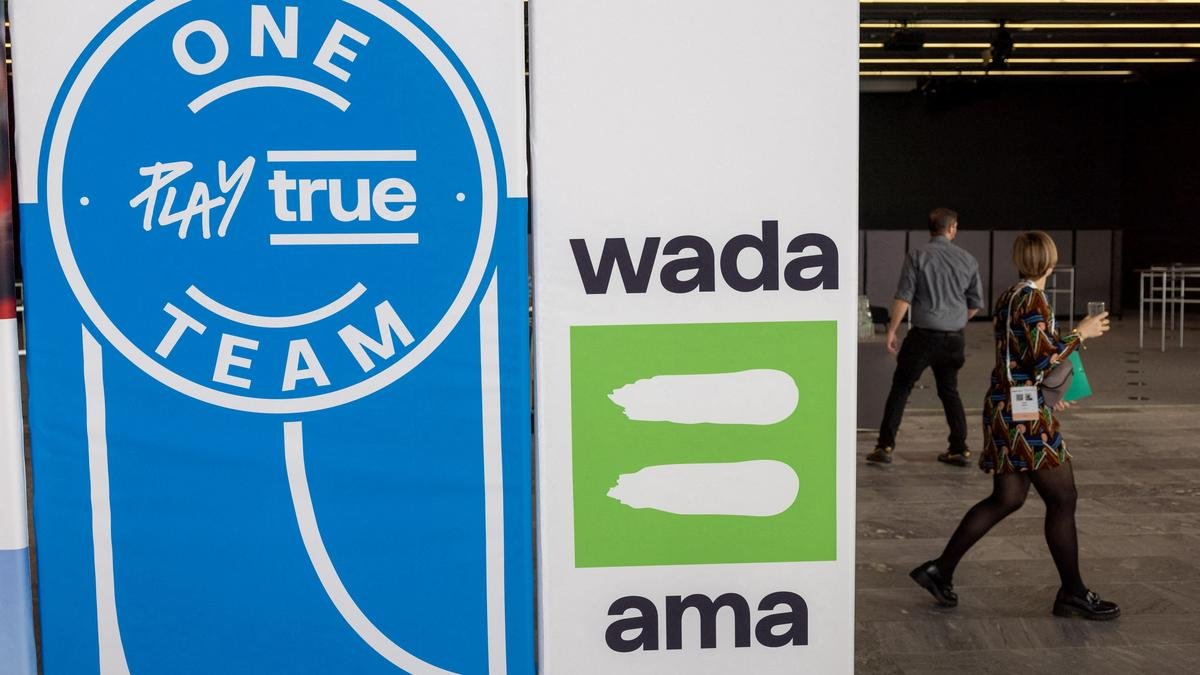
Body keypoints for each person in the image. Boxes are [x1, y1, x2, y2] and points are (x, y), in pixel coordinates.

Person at [910, 231, 1119, 620]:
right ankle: (1073, 593)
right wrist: (1081, 333)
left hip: (1007, 406)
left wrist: (1051, 391)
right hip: (1024, 416)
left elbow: (1021, 358)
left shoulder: (1011, 296)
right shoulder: (1033, 299)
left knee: (1007, 498)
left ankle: (939, 570)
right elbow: (1043, 357)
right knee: (1063, 498)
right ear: (1051, 262)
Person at [867, 208, 984, 466]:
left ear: (931, 228)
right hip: (954, 339)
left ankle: (885, 446)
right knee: (949, 390)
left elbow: (903, 297)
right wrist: (955, 319)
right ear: (952, 228)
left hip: (923, 337)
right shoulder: (968, 259)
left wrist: (891, 330)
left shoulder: (918, 255)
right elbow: (975, 304)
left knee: (901, 387)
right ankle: (959, 448)